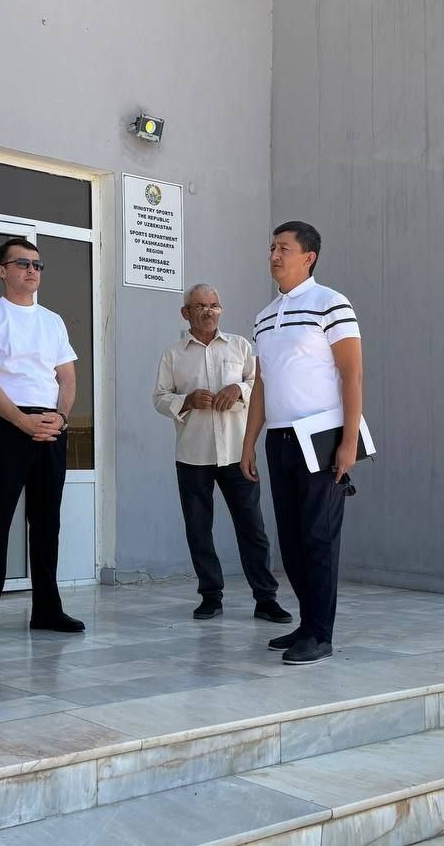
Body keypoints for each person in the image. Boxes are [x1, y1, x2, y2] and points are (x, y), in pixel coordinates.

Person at [241, 221, 363, 666]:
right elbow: (262, 384)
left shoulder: (331, 303)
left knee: (318, 537)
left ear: (308, 257)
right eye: (271, 247)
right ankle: (308, 623)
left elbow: (352, 374)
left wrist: (349, 442)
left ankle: (320, 634)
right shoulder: (264, 316)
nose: (274, 255)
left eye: (284, 248)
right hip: (280, 439)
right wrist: (249, 443)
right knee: (291, 540)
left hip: (322, 437)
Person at [0, 237, 84, 644]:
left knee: (47, 521)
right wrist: (20, 420)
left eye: (37, 264)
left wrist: (61, 418)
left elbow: (67, 378)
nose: (32, 270)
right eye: (22, 263)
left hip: (50, 427)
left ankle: (47, 610)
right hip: (6, 425)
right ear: (2, 271)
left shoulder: (53, 321)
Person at [153, 283, 291, 623]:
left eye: (214, 305)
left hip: (237, 452)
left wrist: (239, 389)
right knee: (198, 529)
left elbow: (261, 384)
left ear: (221, 309)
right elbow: (159, 398)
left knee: (252, 527)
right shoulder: (174, 354)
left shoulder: (241, 346)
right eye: (200, 306)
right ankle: (210, 596)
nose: (208, 311)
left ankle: (266, 599)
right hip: (193, 455)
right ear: (186, 313)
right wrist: (186, 400)